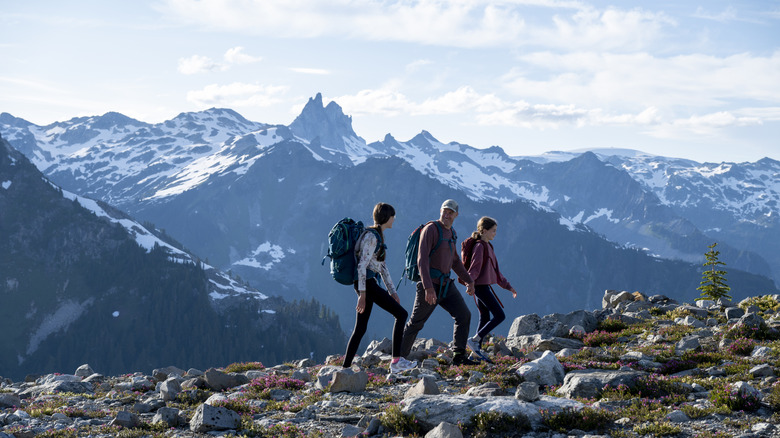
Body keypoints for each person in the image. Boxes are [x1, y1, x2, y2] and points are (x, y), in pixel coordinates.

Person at [400, 199, 478, 366]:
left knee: (464, 315)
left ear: (456, 215)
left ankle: (458, 356)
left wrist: (469, 281)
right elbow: (422, 260)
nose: (447, 214)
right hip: (430, 285)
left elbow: (455, 261)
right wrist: (428, 287)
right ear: (440, 211)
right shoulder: (431, 230)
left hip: (446, 285)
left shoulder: (452, 233)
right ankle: (399, 359)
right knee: (416, 323)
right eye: (444, 211)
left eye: (450, 212)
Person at [342, 202, 417, 374]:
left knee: (360, 328)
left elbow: (381, 266)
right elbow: (362, 266)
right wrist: (362, 294)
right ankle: (396, 362)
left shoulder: (376, 235)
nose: (394, 219)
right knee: (401, 314)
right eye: (393, 216)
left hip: (367, 284)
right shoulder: (372, 237)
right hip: (367, 284)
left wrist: (393, 292)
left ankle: (345, 368)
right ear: (386, 217)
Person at [463, 216, 517, 361]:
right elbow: (474, 268)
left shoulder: (488, 246)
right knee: (500, 315)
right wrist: (470, 284)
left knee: (485, 317)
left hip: (482, 286)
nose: (495, 234)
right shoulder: (480, 247)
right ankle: (474, 341)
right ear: (484, 231)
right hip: (480, 287)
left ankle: (474, 351)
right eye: (493, 231)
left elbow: (495, 271)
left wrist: (508, 287)